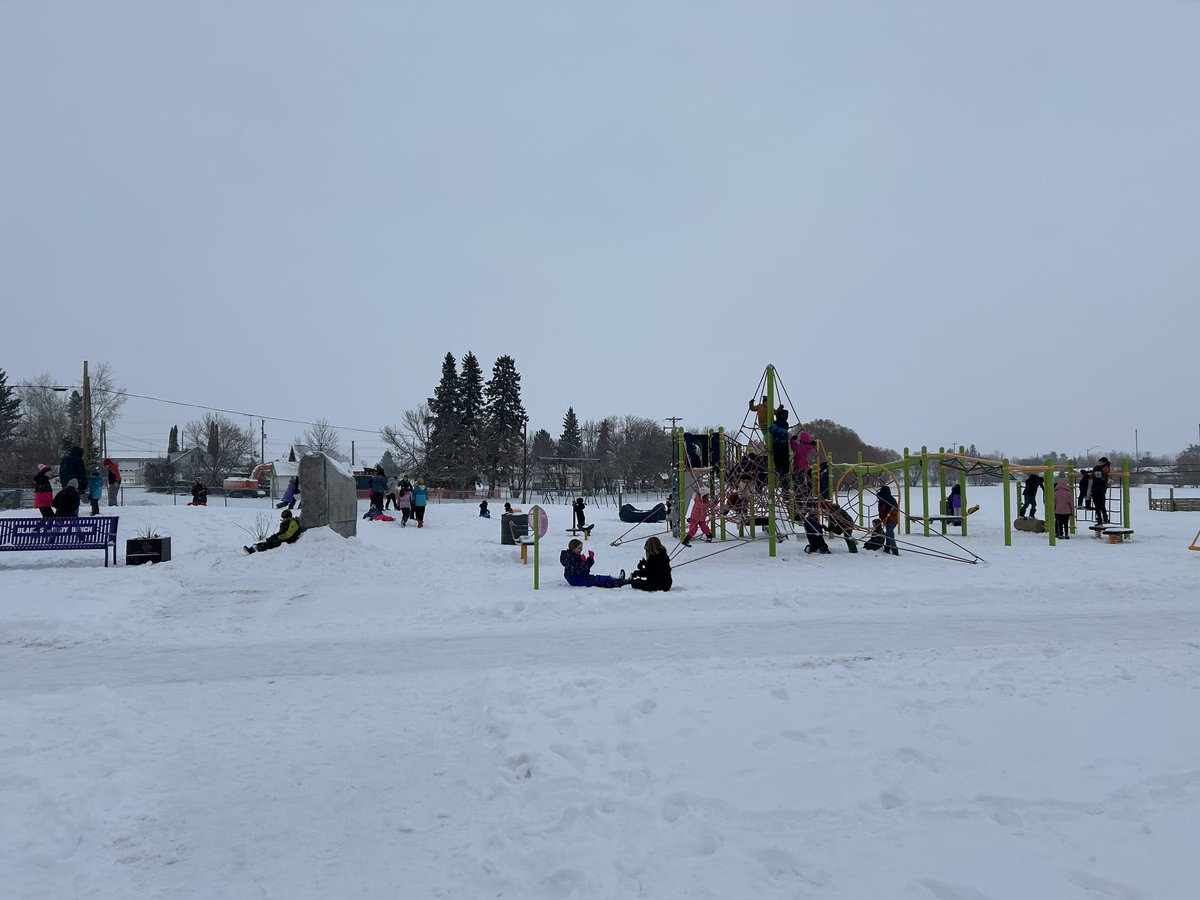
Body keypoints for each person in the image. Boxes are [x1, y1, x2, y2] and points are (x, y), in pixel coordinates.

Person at [560, 539, 628, 588]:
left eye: (581, 548)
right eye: (579, 548)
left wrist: (589, 560)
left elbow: (584, 569)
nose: (581, 550)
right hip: (577, 579)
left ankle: (617, 579)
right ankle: (622, 582)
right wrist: (586, 562)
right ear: (573, 548)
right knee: (600, 580)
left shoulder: (572, 557)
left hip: (579, 578)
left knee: (598, 578)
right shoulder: (571, 559)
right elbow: (582, 570)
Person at [768, 407, 792, 481]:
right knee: (785, 457)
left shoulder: (776, 423)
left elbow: (771, 430)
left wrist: (774, 428)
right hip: (784, 443)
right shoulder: (786, 423)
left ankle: (778, 469)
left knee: (777, 456)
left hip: (777, 443)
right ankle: (785, 470)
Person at [877, 484, 900, 555]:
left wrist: (886, 516)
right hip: (893, 520)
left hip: (890, 519)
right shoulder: (890, 498)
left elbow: (882, 510)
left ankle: (894, 549)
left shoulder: (883, 499)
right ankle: (887, 548)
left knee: (890, 534)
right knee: (888, 533)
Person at [1090, 458, 1111, 525]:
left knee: (1098, 506)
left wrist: (1093, 473)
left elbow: (1097, 475)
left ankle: (1101, 519)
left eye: (1101, 462)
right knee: (1101, 505)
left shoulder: (1102, 471)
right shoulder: (1104, 472)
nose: (1100, 463)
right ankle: (1104, 518)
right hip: (1100, 490)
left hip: (1097, 490)